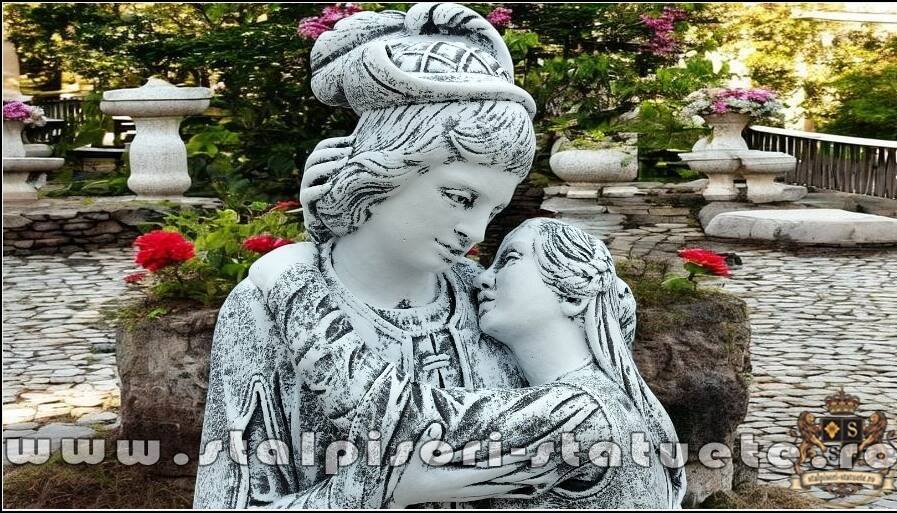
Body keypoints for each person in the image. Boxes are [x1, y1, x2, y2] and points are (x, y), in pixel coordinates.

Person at [195, 3, 543, 508]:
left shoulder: (485, 296)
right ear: (381, 172)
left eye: (494, 210)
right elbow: (228, 499)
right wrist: (374, 492)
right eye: (460, 197)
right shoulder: (264, 306)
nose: (474, 232)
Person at [250, 218, 686, 508]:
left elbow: (399, 420)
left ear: (573, 294)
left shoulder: (585, 412)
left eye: (509, 259)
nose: (482, 277)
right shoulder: (601, 401)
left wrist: (290, 281)